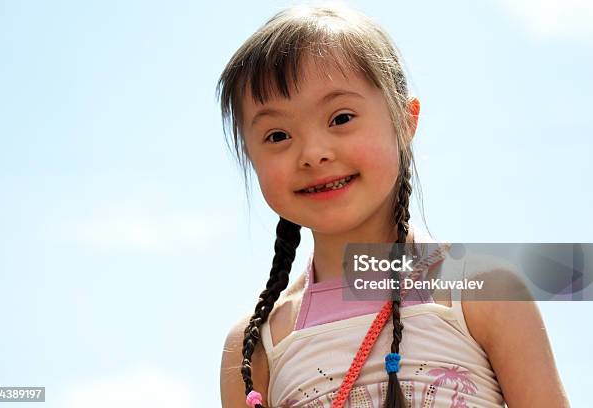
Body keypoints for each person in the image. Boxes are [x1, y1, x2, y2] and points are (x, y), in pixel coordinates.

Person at [216, 4, 569, 407]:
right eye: (278, 135)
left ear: (405, 121)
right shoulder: (257, 346)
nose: (313, 153)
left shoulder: (482, 292)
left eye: (341, 117)